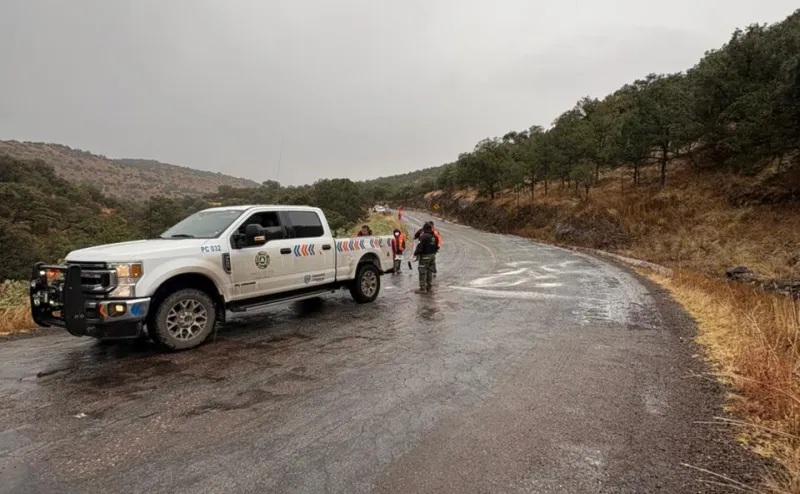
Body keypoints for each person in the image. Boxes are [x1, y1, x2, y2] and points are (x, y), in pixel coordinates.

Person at [413, 222, 439, 293]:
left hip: (424, 257)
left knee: (422, 272)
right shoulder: (434, 236)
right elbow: (437, 246)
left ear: (424, 228)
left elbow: (420, 247)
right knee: (429, 271)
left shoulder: (424, 236)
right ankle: (429, 287)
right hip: (432, 256)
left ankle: (422, 288)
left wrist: (415, 254)